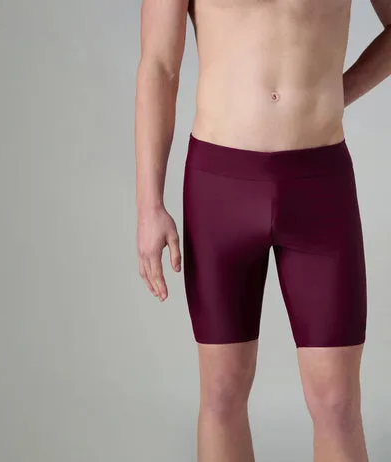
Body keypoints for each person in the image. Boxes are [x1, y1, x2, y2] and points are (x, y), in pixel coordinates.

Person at [135, 0, 390, 460]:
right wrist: (149, 205)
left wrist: (340, 90)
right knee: (222, 390)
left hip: (319, 184)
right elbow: (158, 65)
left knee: (337, 402)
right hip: (220, 185)